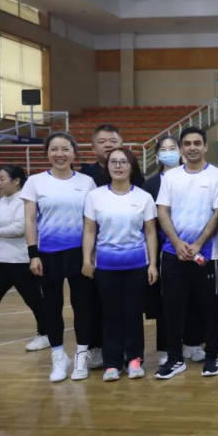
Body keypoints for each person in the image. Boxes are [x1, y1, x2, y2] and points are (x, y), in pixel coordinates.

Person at [21, 133, 102, 382]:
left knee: (83, 307)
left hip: (80, 254)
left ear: (74, 153)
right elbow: (30, 220)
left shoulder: (87, 182)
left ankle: (81, 358)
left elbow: (92, 222)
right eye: (54, 149)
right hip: (47, 255)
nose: (60, 154)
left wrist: (90, 257)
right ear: (47, 153)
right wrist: (33, 254)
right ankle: (58, 357)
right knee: (52, 308)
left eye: (65, 149)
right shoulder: (35, 182)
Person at [155, 127, 218, 380]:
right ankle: (175, 358)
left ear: (205, 146)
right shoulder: (170, 177)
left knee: (210, 308)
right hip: (173, 253)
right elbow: (162, 211)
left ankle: (212, 355)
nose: (192, 147)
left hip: (206, 255)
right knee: (172, 308)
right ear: (181, 148)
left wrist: (197, 244)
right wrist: (176, 243)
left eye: (197, 143)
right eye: (187, 143)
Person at [82, 148, 158, 382]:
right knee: (110, 314)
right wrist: (87, 260)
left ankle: (134, 360)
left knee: (133, 314)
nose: (118, 166)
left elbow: (150, 232)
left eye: (123, 162)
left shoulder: (143, 197)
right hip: (106, 267)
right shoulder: (95, 196)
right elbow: (89, 230)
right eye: (113, 162)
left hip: (137, 265)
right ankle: (112, 363)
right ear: (107, 167)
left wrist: (153, 264)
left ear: (131, 167)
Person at [142, 136, 205, 366]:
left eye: (172, 148)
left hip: (195, 246)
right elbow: (150, 221)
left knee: (195, 296)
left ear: (180, 151)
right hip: (165, 248)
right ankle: (169, 346)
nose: (168, 152)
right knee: (167, 300)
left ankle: (193, 342)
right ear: (157, 154)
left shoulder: (195, 178)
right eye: (163, 149)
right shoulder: (151, 184)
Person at [0, 165, 49, 352]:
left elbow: (20, 227)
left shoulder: (24, 201)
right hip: (2, 260)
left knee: (34, 300)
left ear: (16, 181)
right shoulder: (2, 201)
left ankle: (45, 334)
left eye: (2, 179)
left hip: (21, 261)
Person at [80, 125, 145, 187]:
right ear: (93, 148)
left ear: (121, 146)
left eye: (113, 141)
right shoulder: (85, 174)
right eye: (102, 142)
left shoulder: (133, 173)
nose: (108, 145)